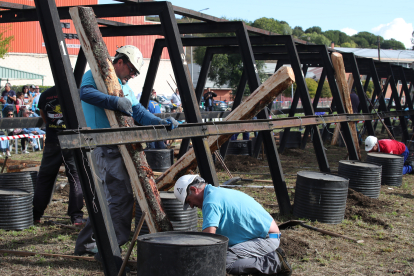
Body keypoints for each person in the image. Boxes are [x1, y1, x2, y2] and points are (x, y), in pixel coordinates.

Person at [74, 45, 179, 257]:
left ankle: (86, 245)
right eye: (131, 70)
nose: (133, 75)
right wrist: (114, 101)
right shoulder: (95, 74)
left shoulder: (123, 85)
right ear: (119, 62)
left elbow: (138, 111)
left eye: (135, 73)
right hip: (105, 147)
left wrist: (159, 122)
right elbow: (84, 93)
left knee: (107, 201)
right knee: (120, 199)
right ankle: (112, 248)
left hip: (117, 147)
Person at [174, 174, 292, 275]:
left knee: (221, 263)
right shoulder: (216, 192)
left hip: (267, 239)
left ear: (194, 190)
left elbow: (208, 241)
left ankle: (273, 261)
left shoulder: (211, 202)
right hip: (264, 235)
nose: (191, 206)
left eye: (189, 201)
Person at [32, 86, 85, 225]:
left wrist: (54, 125)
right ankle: (76, 217)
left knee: (45, 178)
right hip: (72, 140)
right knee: (75, 178)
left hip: (52, 139)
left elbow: (44, 116)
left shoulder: (46, 94)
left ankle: (36, 214)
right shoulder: (78, 92)